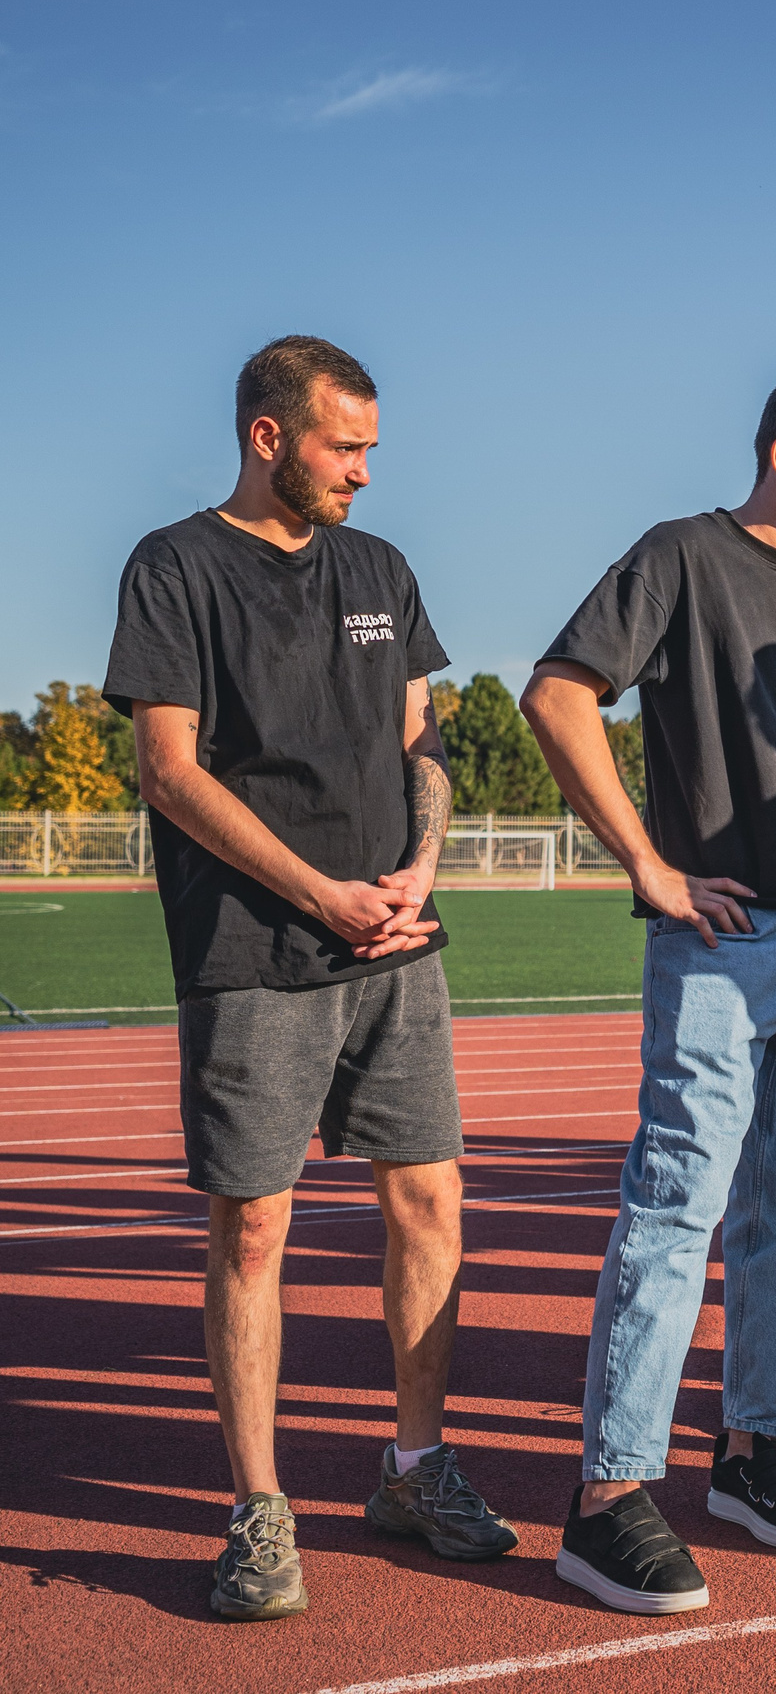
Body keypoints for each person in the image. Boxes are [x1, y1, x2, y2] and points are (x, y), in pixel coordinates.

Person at [103, 335, 515, 1624]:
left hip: (397, 944)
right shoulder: (175, 567)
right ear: (270, 437)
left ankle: (417, 1466)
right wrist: (320, 892)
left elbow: (421, 741)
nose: (364, 474)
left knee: (430, 1204)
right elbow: (170, 770)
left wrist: (419, 871)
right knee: (256, 1228)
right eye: (347, 448)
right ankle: (258, 1511)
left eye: (372, 451)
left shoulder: (379, 569)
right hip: (256, 955)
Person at [523, 367, 776, 1614]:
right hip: (721, 945)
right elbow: (558, 692)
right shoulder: (682, 557)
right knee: (677, 1208)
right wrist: (649, 865)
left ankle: (752, 1449)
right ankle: (608, 1497)